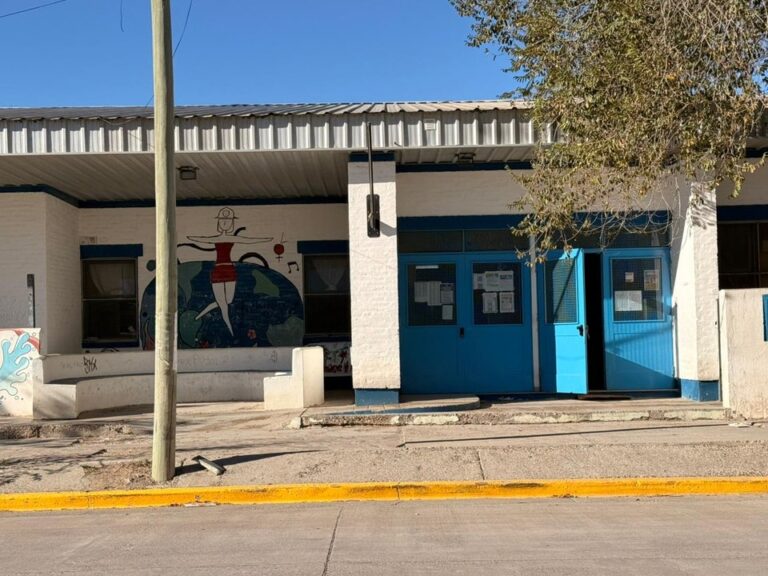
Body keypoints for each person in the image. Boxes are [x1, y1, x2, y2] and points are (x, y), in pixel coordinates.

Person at [185, 207, 271, 335]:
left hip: (230, 270)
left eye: (228, 220)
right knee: (223, 305)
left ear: (231, 223)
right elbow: (202, 239)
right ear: (219, 223)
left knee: (227, 301)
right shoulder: (216, 239)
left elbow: (247, 241)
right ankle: (230, 328)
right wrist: (191, 237)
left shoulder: (232, 238)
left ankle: (200, 314)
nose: (225, 223)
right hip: (218, 270)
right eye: (223, 220)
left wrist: (264, 240)